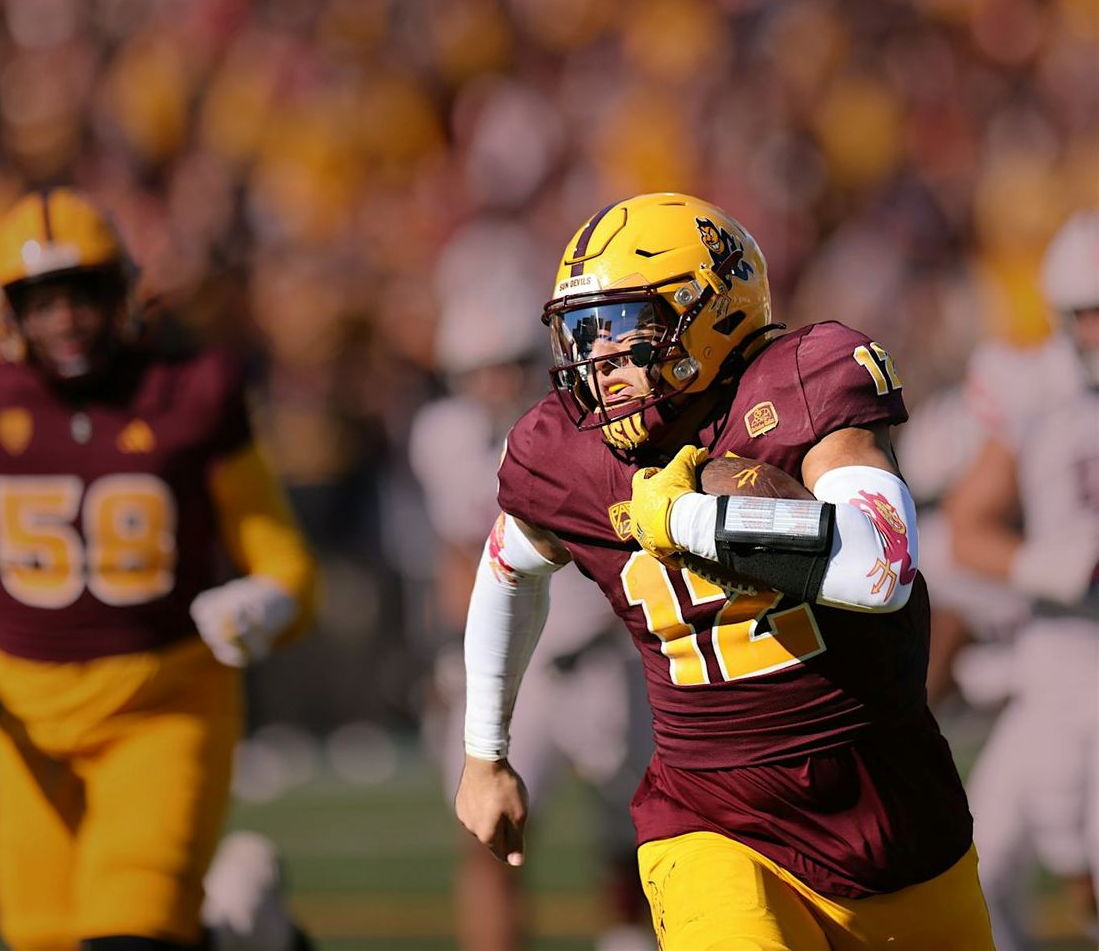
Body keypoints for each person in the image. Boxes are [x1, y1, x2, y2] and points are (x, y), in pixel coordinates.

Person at [455, 192, 995, 951]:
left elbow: (882, 566)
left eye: (620, 330)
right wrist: (486, 752)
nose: (598, 361)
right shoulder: (565, 451)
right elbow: (508, 567)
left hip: (890, 810)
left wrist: (682, 521)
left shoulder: (801, 382)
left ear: (707, 312)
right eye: (582, 333)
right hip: (709, 816)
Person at [0, 188, 319, 951]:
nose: (65, 321)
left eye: (83, 296)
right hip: (27, 721)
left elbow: (286, 560)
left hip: (162, 701)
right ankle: (240, 932)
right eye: (43, 302)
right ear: (6, 311)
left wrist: (265, 600)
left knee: (127, 934)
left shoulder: (186, 393)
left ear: (121, 291)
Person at [409, 265, 654, 951]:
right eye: (480, 369)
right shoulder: (445, 436)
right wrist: (450, 650)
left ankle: (629, 937)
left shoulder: (591, 422)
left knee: (642, 831)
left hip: (603, 650)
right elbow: (459, 552)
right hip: (517, 660)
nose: (495, 382)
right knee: (491, 837)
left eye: (508, 364)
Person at [946, 210, 1099, 951]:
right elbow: (969, 528)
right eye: (1089, 315)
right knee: (979, 862)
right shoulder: (1036, 392)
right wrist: (1049, 565)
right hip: (1057, 651)